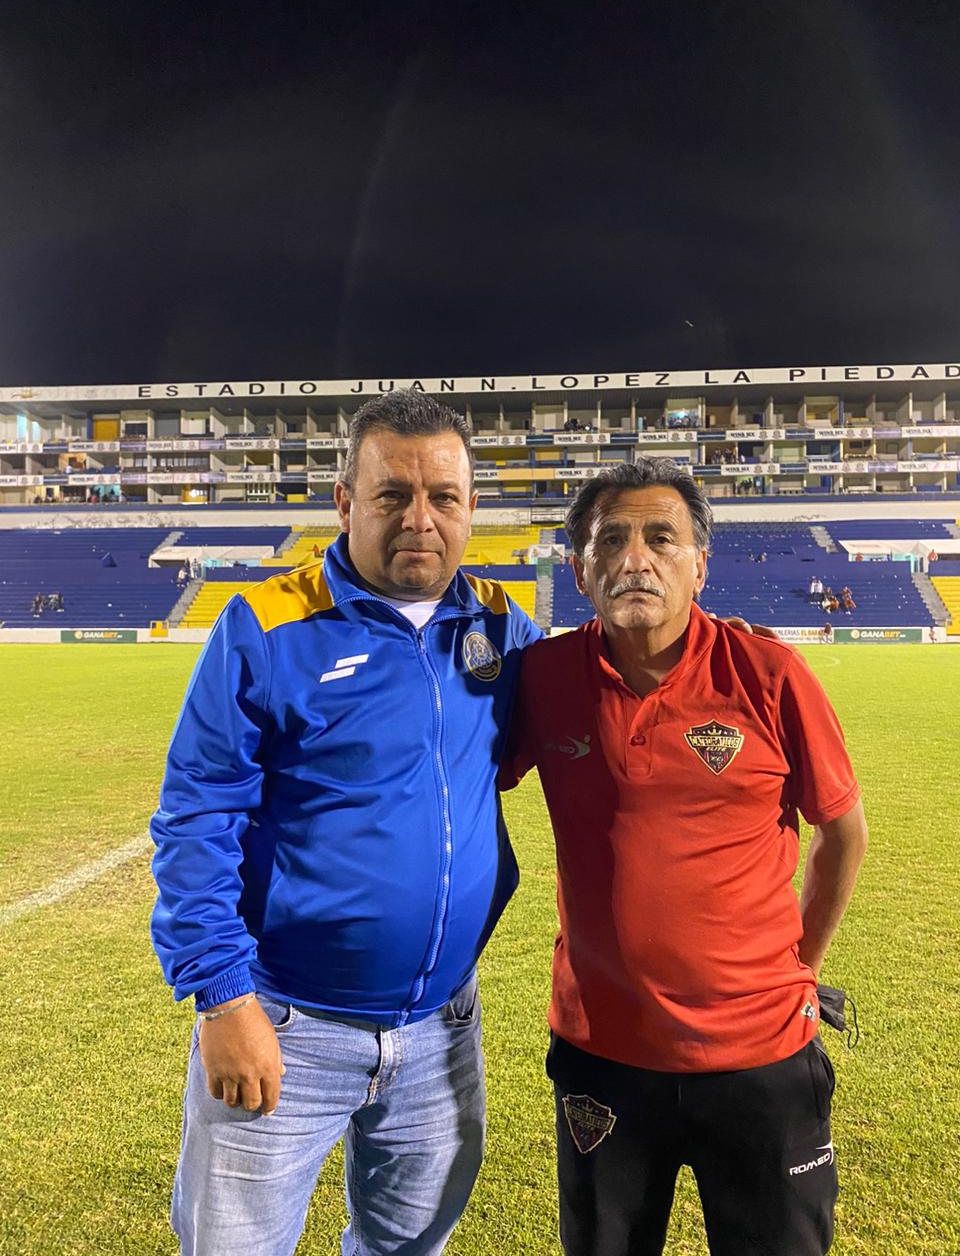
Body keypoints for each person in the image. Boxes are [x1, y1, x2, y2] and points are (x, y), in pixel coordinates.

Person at [150, 391, 542, 1256]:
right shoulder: (266, 626)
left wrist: (715, 646)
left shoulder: (500, 626)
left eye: (443, 496)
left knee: (408, 1247)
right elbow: (196, 816)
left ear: (471, 507)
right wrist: (223, 998)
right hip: (284, 1023)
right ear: (344, 502)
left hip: (441, 1031)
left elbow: (606, 696)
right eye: (392, 494)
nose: (420, 518)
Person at [501, 458, 867, 1256]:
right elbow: (458, 781)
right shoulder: (544, 678)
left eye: (661, 539)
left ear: (700, 565)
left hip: (762, 1055)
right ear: (579, 570)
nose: (635, 559)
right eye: (611, 540)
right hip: (602, 1055)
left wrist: (799, 964)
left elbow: (843, 832)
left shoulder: (769, 674)